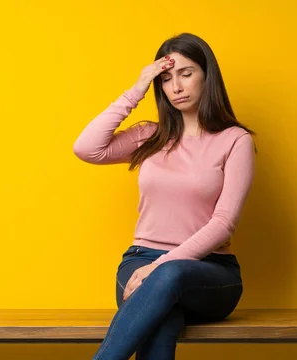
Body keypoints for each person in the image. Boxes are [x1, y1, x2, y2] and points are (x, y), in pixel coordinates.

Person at [72, 32, 256, 360]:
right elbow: (86, 149)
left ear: (207, 76)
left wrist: (161, 265)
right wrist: (138, 88)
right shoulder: (149, 136)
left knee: (168, 277)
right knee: (161, 317)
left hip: (208, 272)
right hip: (140, 263)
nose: (176, 87)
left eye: (186, 74)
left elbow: (224, 223)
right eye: (166, 79)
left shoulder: (234, 140)